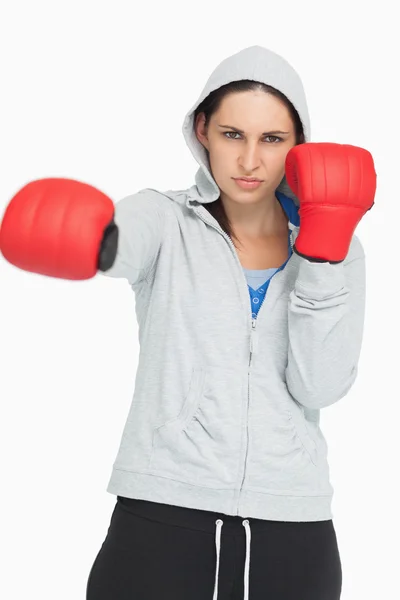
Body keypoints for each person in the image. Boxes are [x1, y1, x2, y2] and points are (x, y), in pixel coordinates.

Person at [0, 45, 376, 599]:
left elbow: (318, 385)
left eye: (272, 139)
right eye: (232, 134)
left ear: (300, 147)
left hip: (293, 524)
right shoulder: (164, 218)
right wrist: (95, 239)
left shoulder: (340, 247)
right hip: (164, 511)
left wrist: (321, 260)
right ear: (202, 129)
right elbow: (122, 239)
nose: (249, 161)